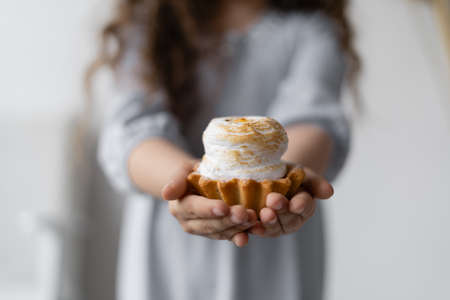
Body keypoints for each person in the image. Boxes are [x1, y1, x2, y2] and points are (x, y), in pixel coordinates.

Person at [92, 0, 359, 299]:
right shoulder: (148, 25)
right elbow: (132, 130)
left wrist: (281, 187)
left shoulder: (312, 29)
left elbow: (313, 117)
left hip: (276, 247)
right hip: (171, 248)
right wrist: (188, 183)